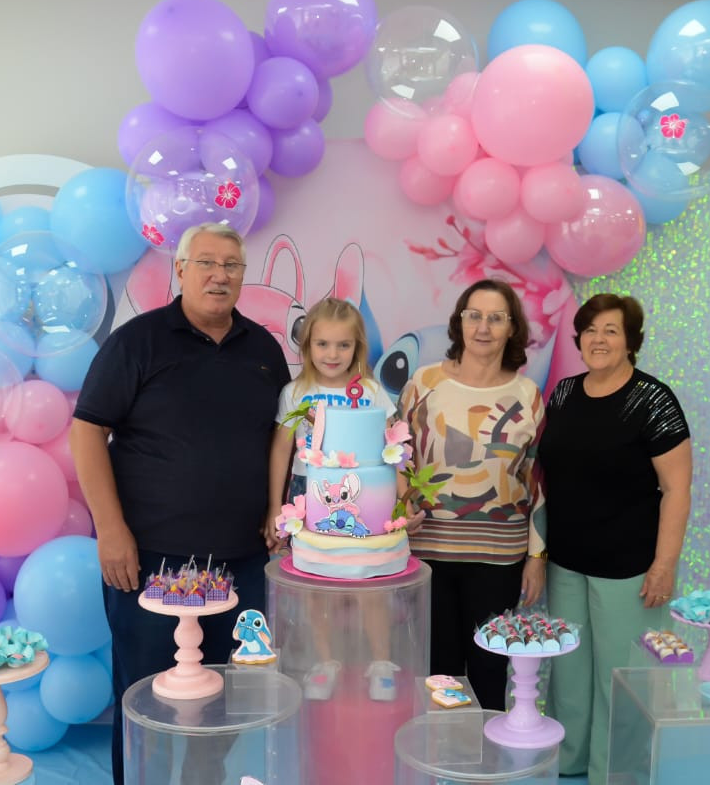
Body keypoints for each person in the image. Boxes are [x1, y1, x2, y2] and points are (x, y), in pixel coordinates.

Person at [70, 223, 290, 784]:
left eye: (232, 265)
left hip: (242, 561)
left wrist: (278, 509)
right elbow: (87, 431)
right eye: (207, 263)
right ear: (181, 270)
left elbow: (281, 440)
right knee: (145, 697)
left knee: (226, 697)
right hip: (150, 560)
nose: (220, 275)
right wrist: (111, 530)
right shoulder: (137, 342)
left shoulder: (265, 350)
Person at [538, 293, 692, 785]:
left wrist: (664, 565)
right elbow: (547, 475)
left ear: (631, 341)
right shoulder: (564, 393)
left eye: (611, 330)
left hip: (629, 568)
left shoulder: (653, 400)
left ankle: (616, 772)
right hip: (566, 561)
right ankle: (568, 762)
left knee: (620, 677)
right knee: (568, 673)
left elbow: (677, 489)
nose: (599, 339)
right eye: (590, 329)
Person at [397, 278, 547, 710]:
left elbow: (537, 480)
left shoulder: (528, 396)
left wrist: (537, 557)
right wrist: (404, 504)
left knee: (488, 671)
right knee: (437, 672)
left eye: (496, 318)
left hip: (499, 559)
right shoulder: (423, 384)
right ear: (459, 322)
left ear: (511, 328)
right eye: (474, 316)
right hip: (428, 552)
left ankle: (485, 752)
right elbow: (396, 457)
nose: (483, 327)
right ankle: (438, 750)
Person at [266, 297, 400, 701]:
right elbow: (281, 450)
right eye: (322, 344)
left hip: (364, 497)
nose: (332, 354)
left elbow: (394, 448)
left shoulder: (371, 392)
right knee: (315, 584)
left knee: (368, 584)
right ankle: (325, 662)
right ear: (307, 345)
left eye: (343, 345)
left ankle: (381, 662)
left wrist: (401, 502)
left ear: (357, 347)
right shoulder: (296, 392)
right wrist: (274, 506)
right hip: (307, 495)